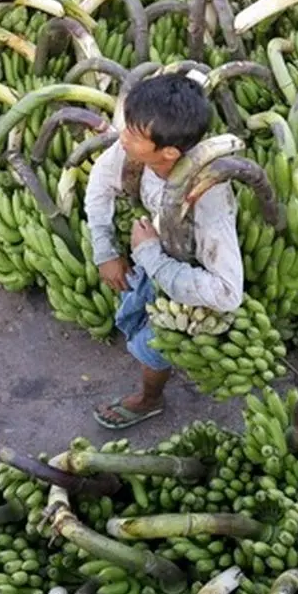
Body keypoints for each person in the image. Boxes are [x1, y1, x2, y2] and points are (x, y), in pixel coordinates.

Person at [85, 73, 243, 430]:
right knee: (134, 318)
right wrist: (104, 248)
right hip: (155, 250)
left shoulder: (209, 202)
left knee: (154, 345)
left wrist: (150, 255)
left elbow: (227, 293)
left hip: (191, 279)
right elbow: (100, 180)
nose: (121, 137)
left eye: (132, 134)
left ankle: (150, 399)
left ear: (169, 152)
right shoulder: (133, 150)